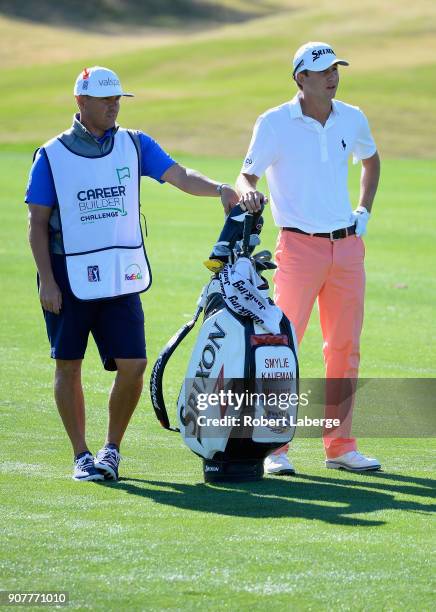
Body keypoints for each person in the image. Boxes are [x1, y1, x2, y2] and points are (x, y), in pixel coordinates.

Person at [26, 66, 239, 482]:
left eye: (117, 98)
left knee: (134, 364)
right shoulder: (51, 154)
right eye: (105, 99)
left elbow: (179, 175)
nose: (113, 105)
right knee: (68, 365)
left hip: (119, 273)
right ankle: (81, 455)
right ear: (80, 102)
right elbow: (37, 223)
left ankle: (111, 450)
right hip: (66, 274)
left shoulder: (134, 144)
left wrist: (219, 188)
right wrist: (47, 281)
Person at [236, 42, 381, 474]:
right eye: (322, 71)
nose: (333, 76)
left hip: (347, 247)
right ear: (301, 77)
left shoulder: (351, 117)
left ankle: (340, 446)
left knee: (344, 348)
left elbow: (371, 161)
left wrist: (364, 211)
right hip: (299, 248)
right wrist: (247, 192)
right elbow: (247, 173)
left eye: (335, 69)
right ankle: (273, 449)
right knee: (282, 347)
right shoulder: (275, 123)